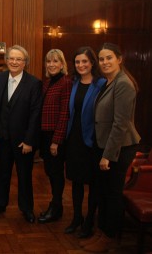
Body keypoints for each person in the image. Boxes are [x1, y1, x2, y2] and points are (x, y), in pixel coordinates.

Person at [82, 43, 141, 253]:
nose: (105, 62)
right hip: (105, 145)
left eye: (109, 58)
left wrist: (107, 155)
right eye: (102, 59)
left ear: (119, 59)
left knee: (112, 194)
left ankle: (109, 237)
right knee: (104, 191)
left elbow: (120, 124)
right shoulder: (109, 82)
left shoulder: (124, 84)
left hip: (119, 147)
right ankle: (102, 232)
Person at [0, 45, 42, 223]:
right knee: (3, 173)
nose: (14, 62)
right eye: (11, 58)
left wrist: (29, 141)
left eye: (19, 59)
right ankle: (0, 204)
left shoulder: (34, 83)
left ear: (25, 63)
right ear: (6, 60)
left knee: (24, 176)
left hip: (23, 141)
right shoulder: (0, 78)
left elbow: (35, 114)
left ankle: (26, 208)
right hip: (2, 138)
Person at [64, 47, 105, 237]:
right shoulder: (73, 83)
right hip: (74, 139)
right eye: (78, 62)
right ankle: (77, 218)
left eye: (85, 62)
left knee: (93, 183)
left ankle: (89, 220)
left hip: (93, 141)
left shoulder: (101, 84)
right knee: (76, 182)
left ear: (92, 63)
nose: (81, 65)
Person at [38, 49, 72, 224]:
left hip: (55, 137)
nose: (51, 64)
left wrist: (56, 141)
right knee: (50, 172)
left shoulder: (66, 83)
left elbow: (64, 114)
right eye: (48, 61)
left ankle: (57, 207)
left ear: (62, 64)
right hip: (45, 135)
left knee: (56, 173)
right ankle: (55, 204)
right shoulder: (48, 82)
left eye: (55, 61)